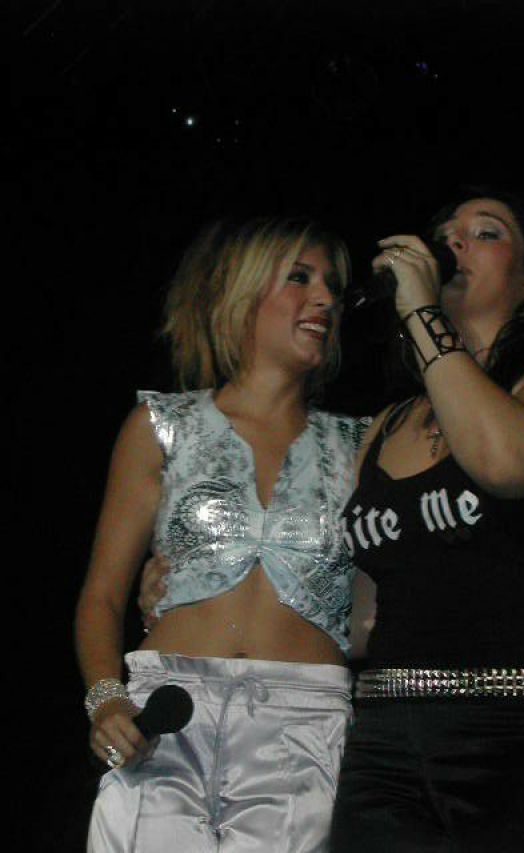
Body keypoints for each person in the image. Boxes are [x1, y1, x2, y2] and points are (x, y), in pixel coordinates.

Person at [327, 188, 524, 851]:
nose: (454, 243)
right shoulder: (387, 424)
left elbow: (507, 461)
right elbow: (361, 613)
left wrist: (421, 311)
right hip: (386, 743)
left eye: (486, 232)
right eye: (446, 233)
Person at [74, 216, 372, 852]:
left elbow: (382, 604)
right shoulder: (161, 426)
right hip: (166, 721)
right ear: (242, 293)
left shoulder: (363, 444)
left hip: (303, 729)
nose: (325, 298)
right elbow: (101, 595)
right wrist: (107, 702)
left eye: (332, 286)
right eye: (300, 278)